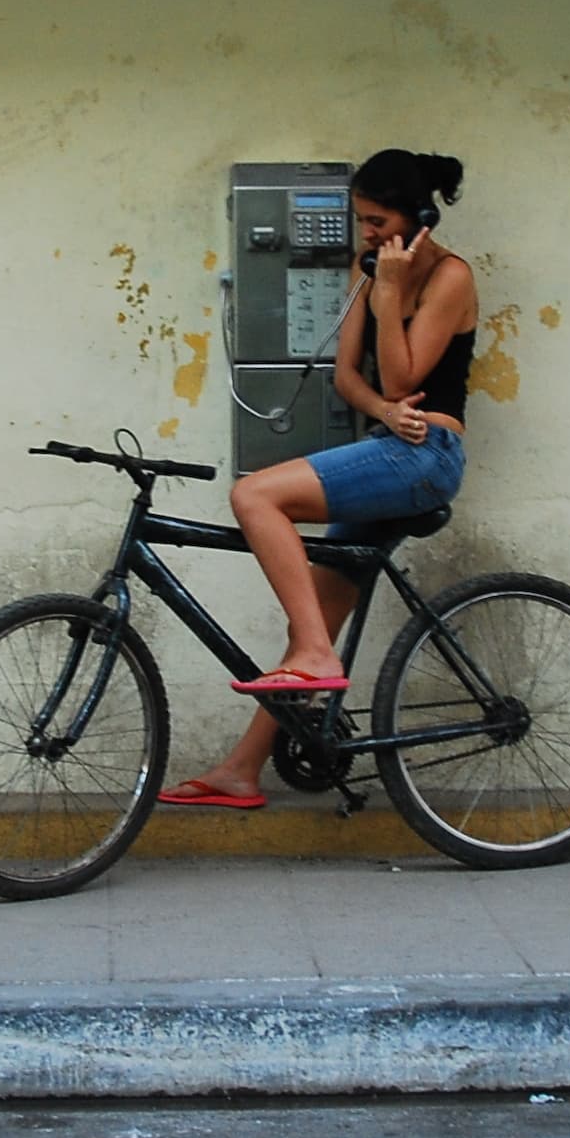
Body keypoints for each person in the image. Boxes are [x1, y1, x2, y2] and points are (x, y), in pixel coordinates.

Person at [160, 148, 476, 808]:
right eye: (360, 221)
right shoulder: (370, 278)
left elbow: (405, 376)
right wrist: (385, 410)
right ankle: (243, 768)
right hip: (391, 449)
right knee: (315, 618)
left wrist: (390, 301)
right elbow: (351, 380)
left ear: (418, 216)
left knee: (255, 495)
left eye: (378, 220)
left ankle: (314, 656)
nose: (367, 235)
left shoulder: (450, 277)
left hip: (428, 455)